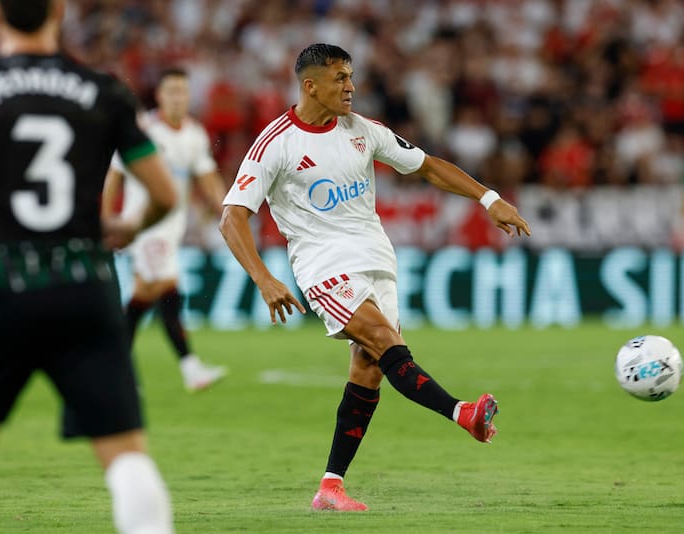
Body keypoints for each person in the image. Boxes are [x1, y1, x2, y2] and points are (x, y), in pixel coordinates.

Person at [219, 43, 531, 512]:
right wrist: (264, 278)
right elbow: (232, 218)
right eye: (340, 78)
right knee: (386, 340)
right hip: (323, 266)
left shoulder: (364, 131)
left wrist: (489, 199)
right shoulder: (276, 144)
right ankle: (462, 413)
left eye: (351, 76)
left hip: (377, 260)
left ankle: (330, 486)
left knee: (369, 369)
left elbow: (428, 167)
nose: (350, 86)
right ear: (311, 85)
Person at [0, 1, 176, 532]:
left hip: (2, 282)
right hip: (85, 282)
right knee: (125, 452)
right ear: (58, 11)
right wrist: (129, 226)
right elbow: (162, 193)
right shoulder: (105, 92)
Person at [102, 68, 228, 392]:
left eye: (182, 91)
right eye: (171, 91)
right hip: (143, 225)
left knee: (143, 297)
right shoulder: (142, 130)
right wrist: (105, 218)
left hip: (172, 228)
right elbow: (114, 175)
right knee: (168, 289)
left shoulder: (195, 135)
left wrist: (228, 210)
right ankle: (191, 368)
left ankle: (115, 368)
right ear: (158, 95)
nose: (177, 97)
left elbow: (208, 178)